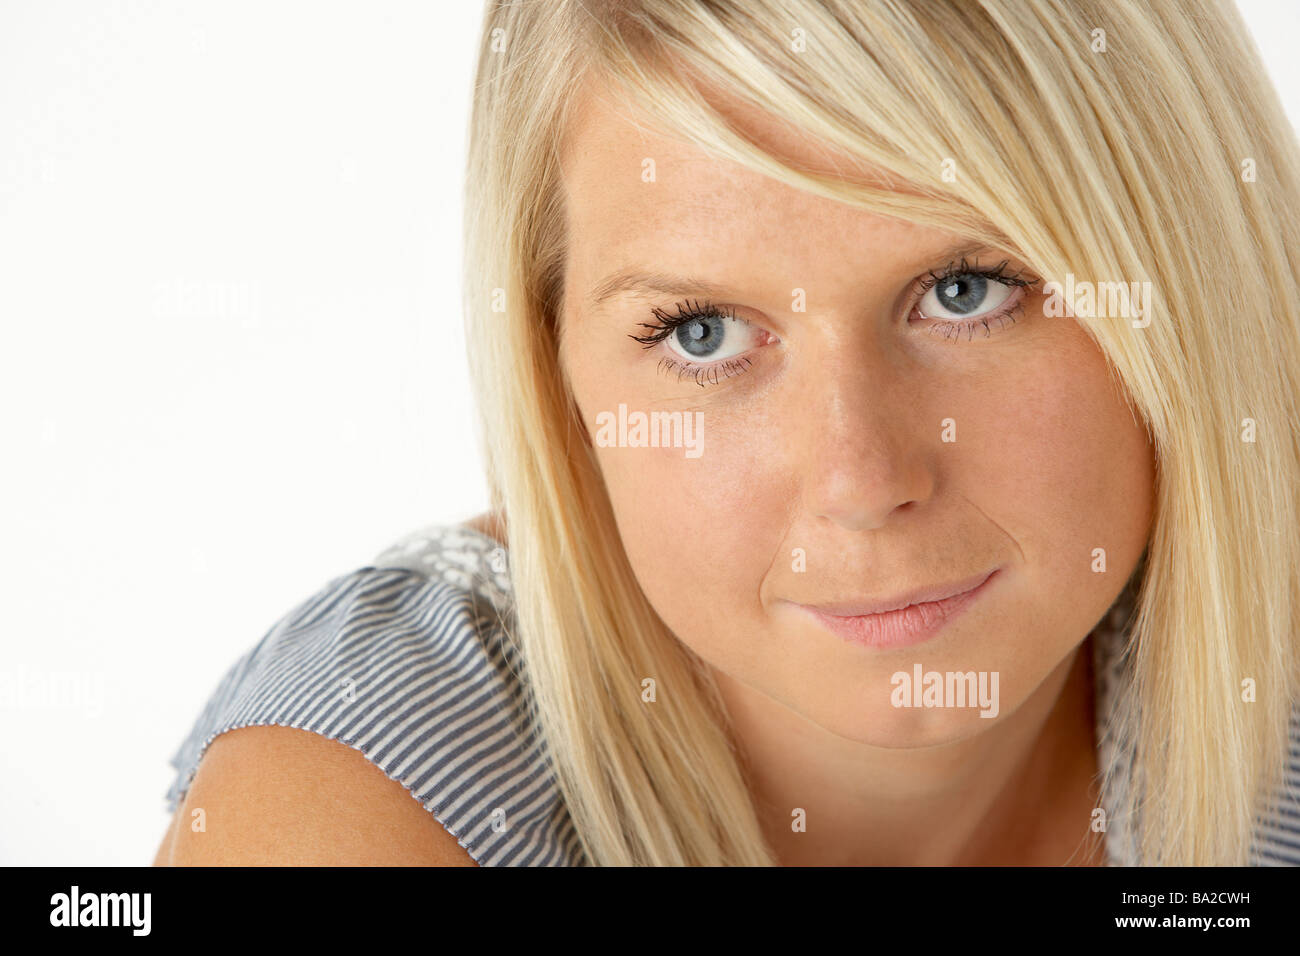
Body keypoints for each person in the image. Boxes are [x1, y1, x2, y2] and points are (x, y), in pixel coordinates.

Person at [154, 0, 1300, 866]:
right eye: (700, 331)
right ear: (558, 380)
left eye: (965, 290)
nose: (860, 478)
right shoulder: (361, 784)